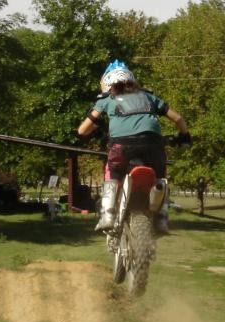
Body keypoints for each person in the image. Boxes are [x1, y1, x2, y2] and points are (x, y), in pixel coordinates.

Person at [77, 60, 191, 234]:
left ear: (107, 84)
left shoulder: (106, 100)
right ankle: (161, 218)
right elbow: (178, 119)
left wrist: (96, 129)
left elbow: (82, 130)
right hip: (153, 144)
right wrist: (184, 136)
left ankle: (107, 215)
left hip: (121, 146)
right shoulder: (149, 97)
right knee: (160, 177)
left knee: (113, 174)